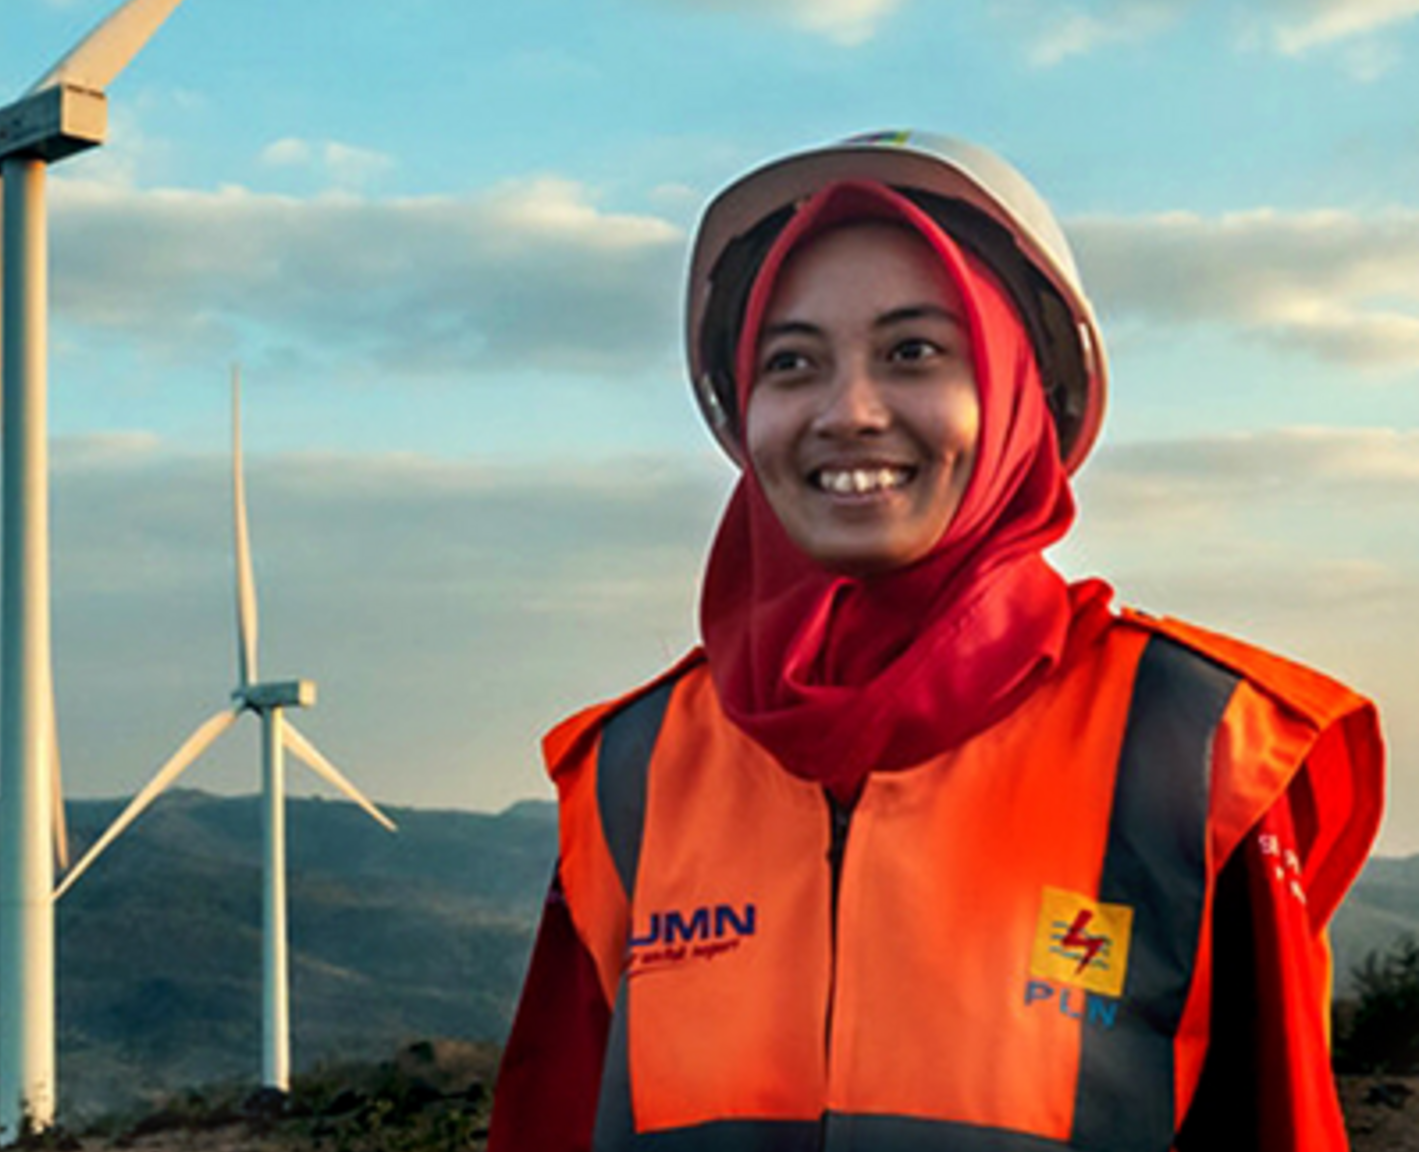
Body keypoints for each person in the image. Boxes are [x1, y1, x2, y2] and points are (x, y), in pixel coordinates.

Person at [486, 131, 1385, 1151]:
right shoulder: (630, 775)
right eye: (791, 362)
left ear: (1019, 390)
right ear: (743, 408)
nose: (848, 411)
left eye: (913, 350)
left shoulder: (1197, 747)